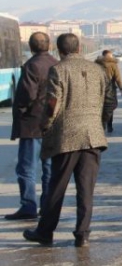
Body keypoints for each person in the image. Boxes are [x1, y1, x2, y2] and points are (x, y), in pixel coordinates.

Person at [23, 33, 116, 247]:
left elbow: (53, 104)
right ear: (80, 49)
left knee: (57, 187)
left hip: (66, 137)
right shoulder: (98, 70)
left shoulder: (58, 70)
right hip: (93, 137)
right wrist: (99, 121)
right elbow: (110, 100)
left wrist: (45, 126)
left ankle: (45, 232)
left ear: (59, 50)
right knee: (86, 189)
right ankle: (82, 234)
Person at [6, 32, 58, 221]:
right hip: (53, 125)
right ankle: (47, 206)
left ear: (31, 46)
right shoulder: (56, 64)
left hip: (32, 125)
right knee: (49, 168)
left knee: (27, 168)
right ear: (49, 45)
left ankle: (28, 206)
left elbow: (26, 95)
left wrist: (20, 111)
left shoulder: (31, 66)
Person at [95, 49, 122, 132]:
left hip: (99, 88)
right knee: (110, 106)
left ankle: (102, 123)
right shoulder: (113, 64)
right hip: (111, 88)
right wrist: (121, 89)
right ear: (109, 55)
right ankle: (109, 125)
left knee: (101, 105)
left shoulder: (96, 63)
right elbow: (117, 78)